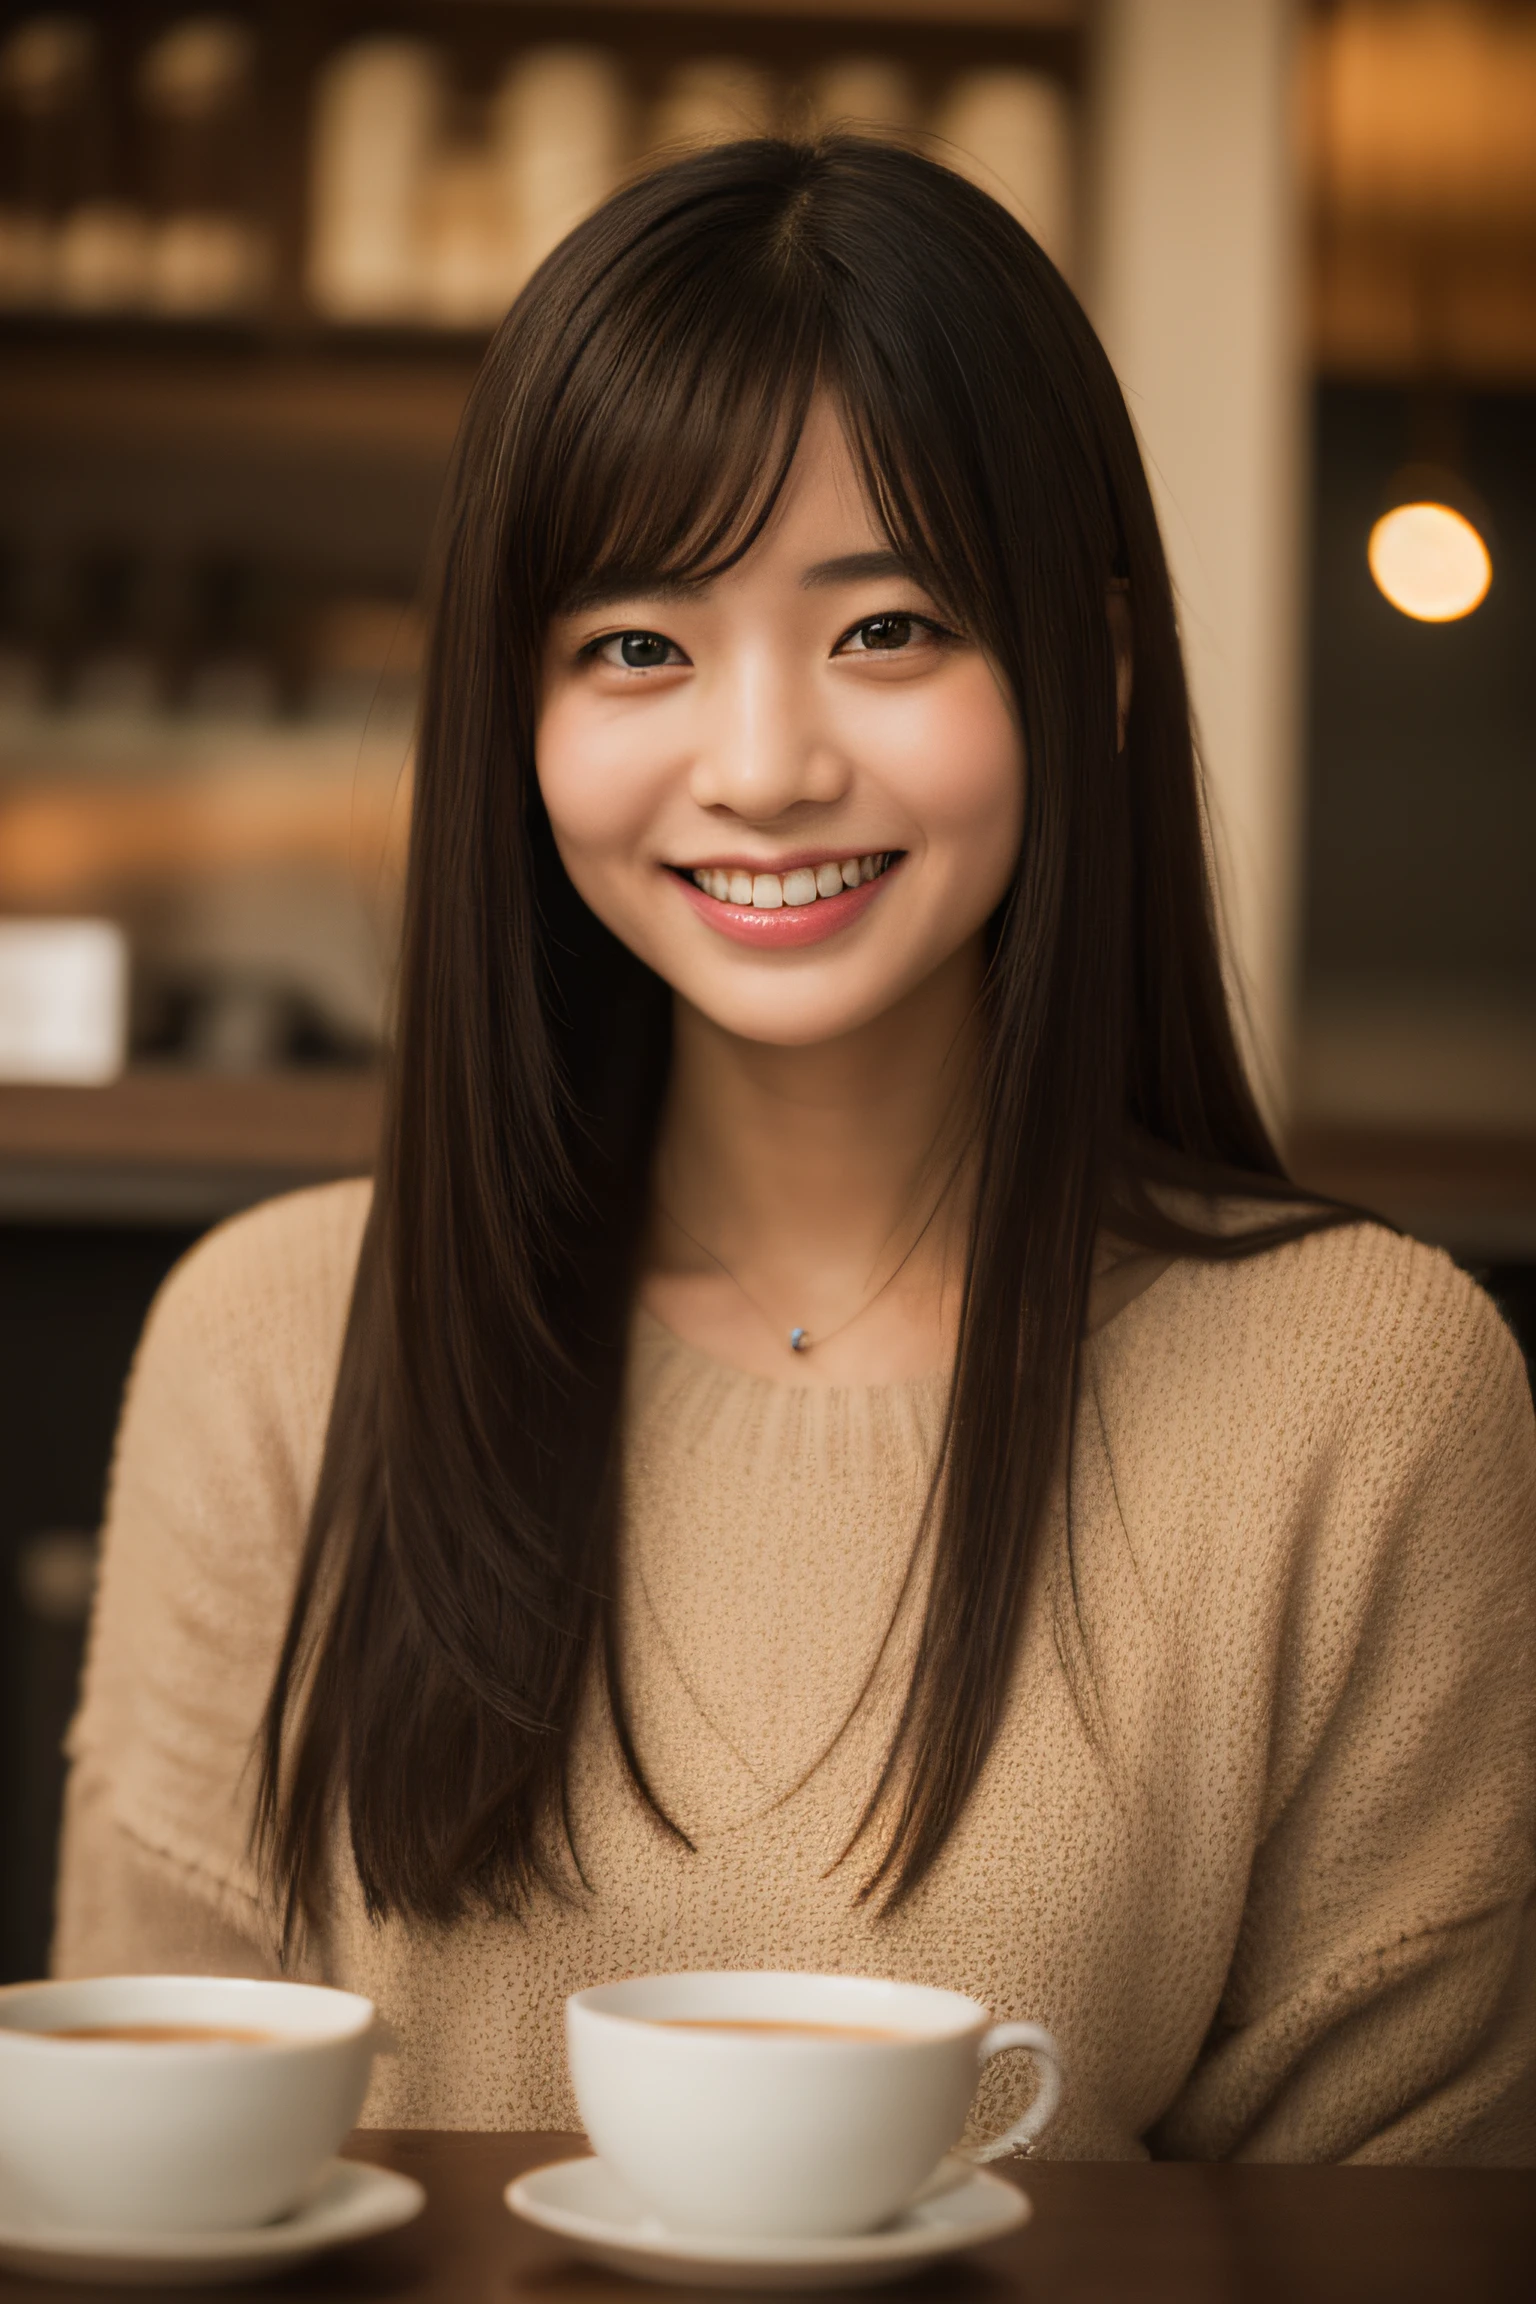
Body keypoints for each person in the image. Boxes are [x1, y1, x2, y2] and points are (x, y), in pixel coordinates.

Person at [55, 137, 1534, 2161]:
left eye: (890, 628)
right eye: (638, 648)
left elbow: (1395, 2244)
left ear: (1091, 676)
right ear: (517, 720)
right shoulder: (275, 1347)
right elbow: (142, 2193)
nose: (761, 767)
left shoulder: (1369, 1393)